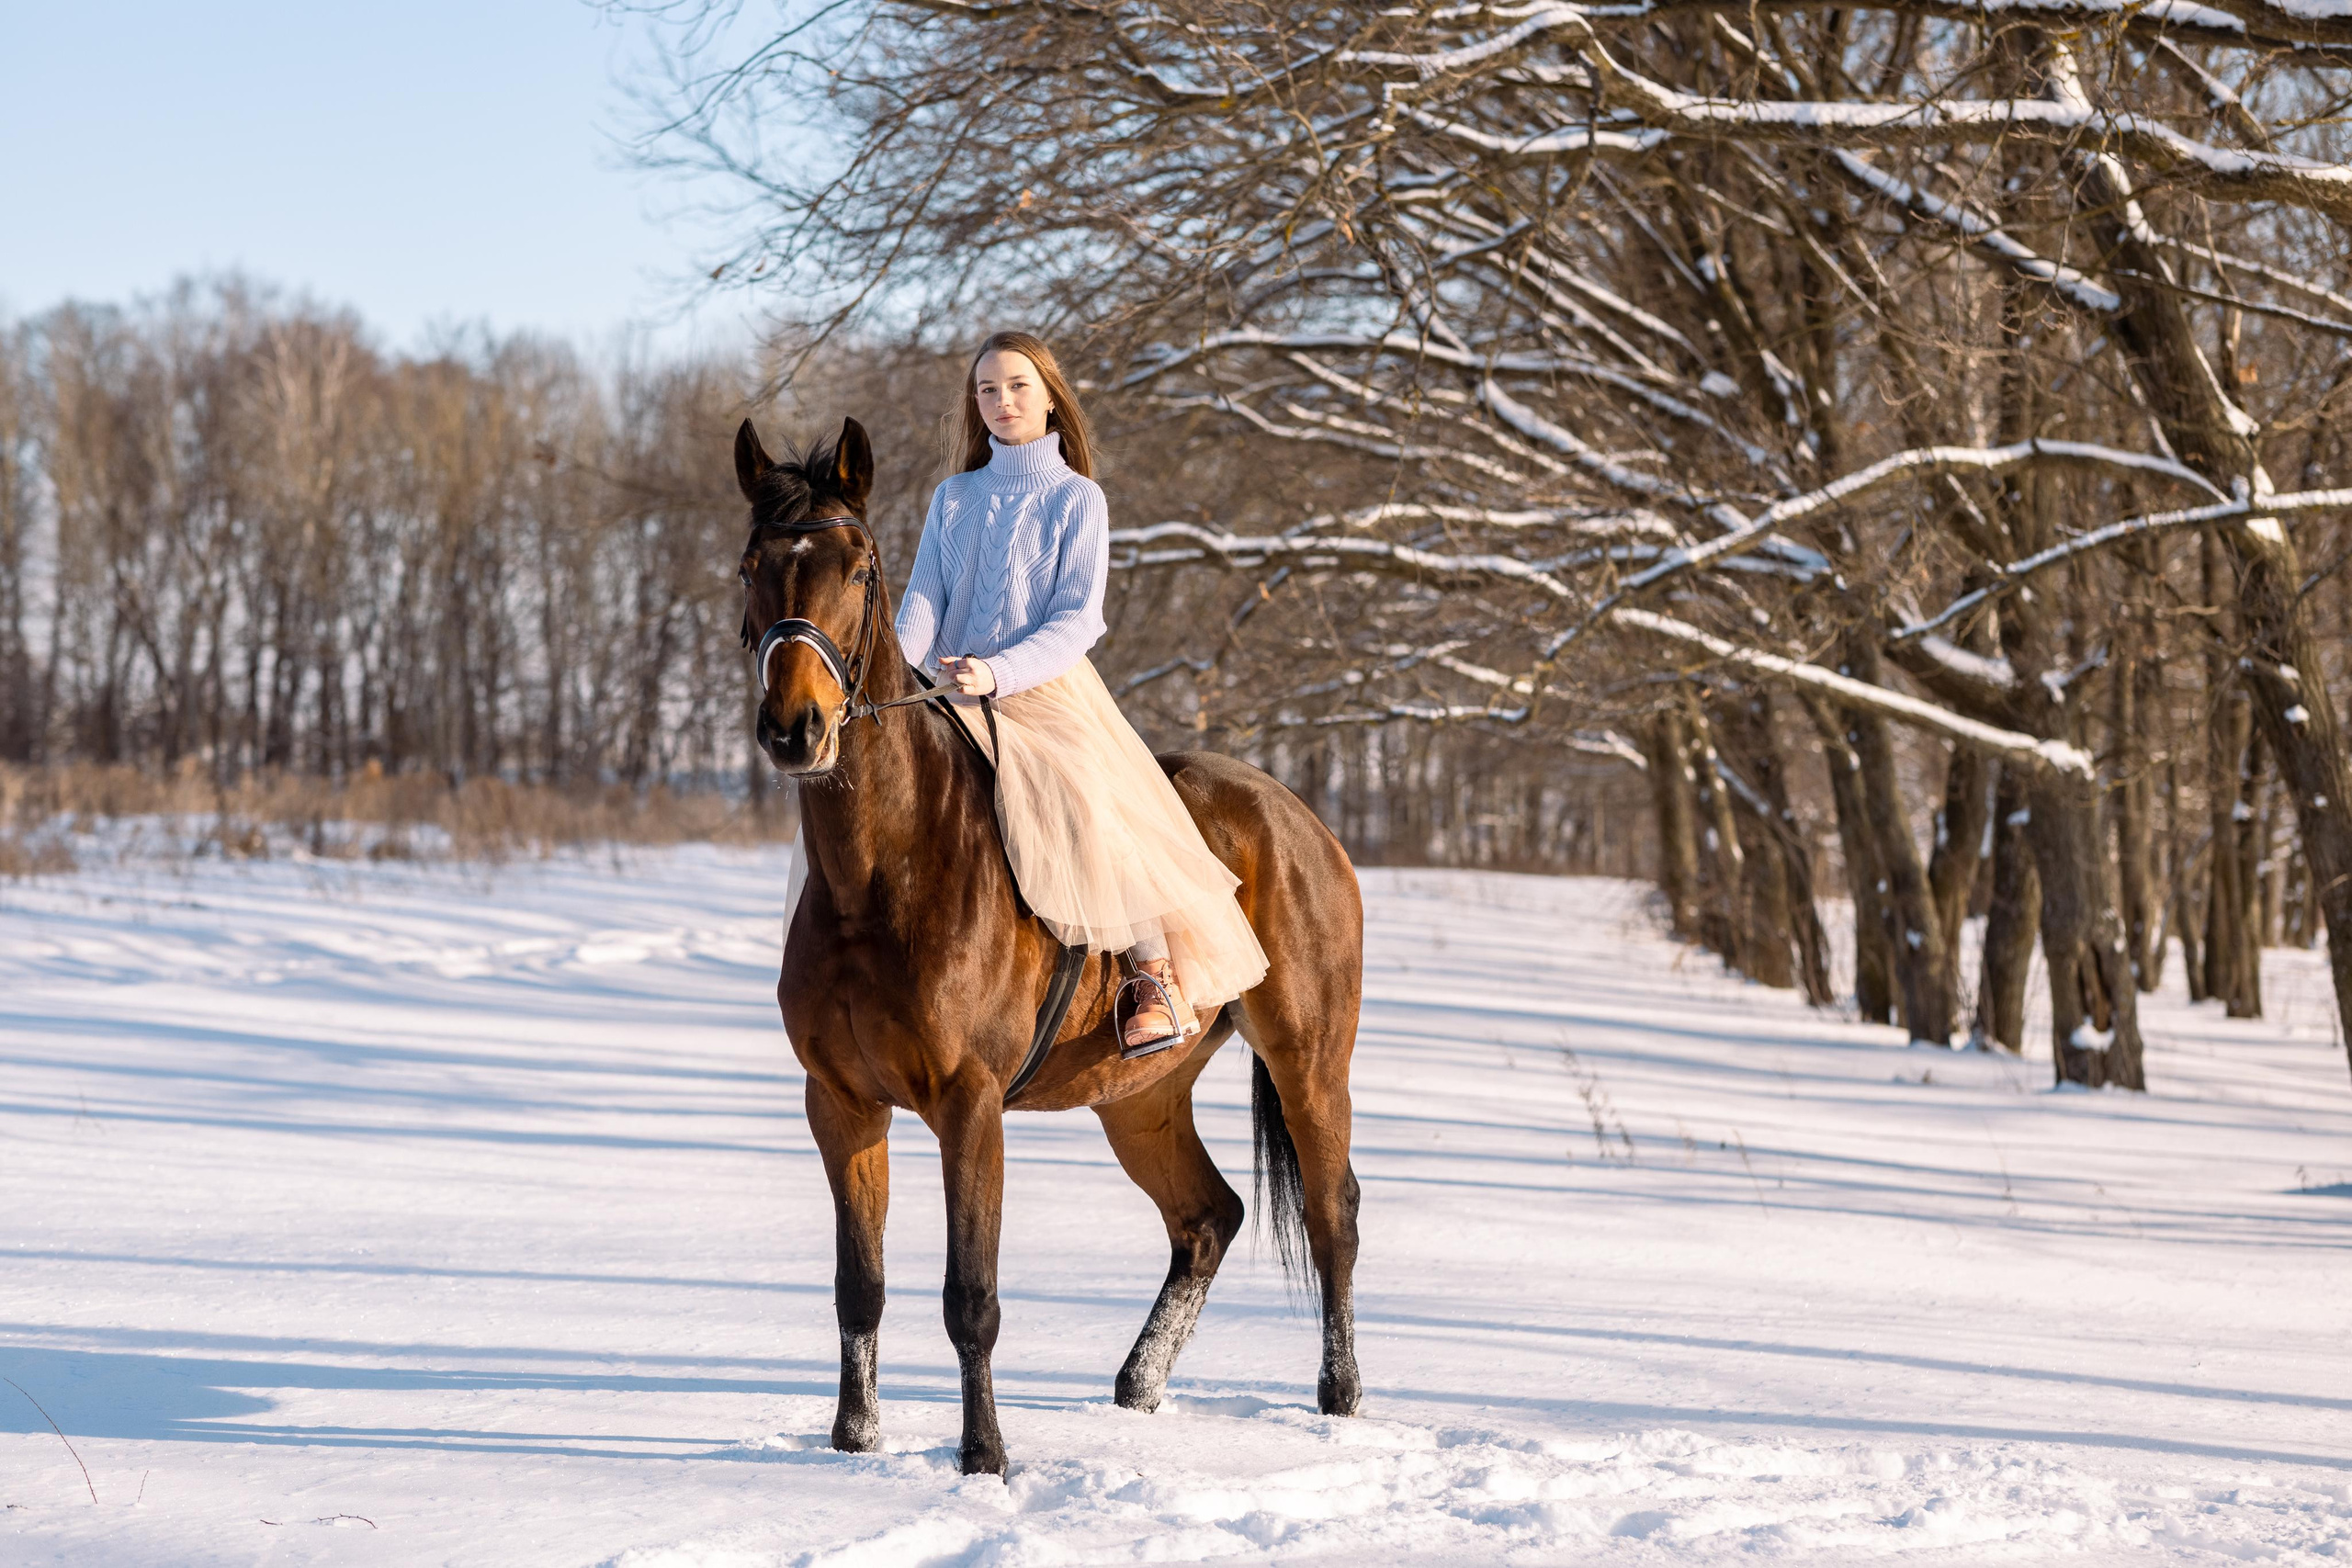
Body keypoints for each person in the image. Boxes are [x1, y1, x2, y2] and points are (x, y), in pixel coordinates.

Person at [896, 331, 1269, 1055]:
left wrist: (998, 671)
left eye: (1017, 386)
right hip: (950, 689)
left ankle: (1149, 971)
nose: (1003, 401)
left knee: (1086, 797)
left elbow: (1077, 619)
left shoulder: (1077, 499)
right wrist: (890, 681)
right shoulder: (953, 497)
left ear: (1049, 395)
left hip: (1044, 690)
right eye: (988, 390)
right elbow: (921, 605)